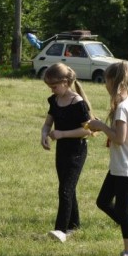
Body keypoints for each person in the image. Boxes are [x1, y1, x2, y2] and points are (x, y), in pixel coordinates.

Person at [86, 61, 128, 256]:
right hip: (119, 166)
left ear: (114, 82)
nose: (104, 85)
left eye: (106, 81)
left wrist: (101, 126)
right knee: (103, 201)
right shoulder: (125, 103)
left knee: (122, 209)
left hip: (127, 167)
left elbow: (120, 138)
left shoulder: (122, 108)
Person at [40, 63, 92, 243]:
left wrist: (62, 134)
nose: (52, 90)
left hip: (77, 151)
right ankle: (74, 225)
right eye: (50, 87)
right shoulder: (54, 101)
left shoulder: (78, 103)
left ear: (65, 82)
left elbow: (87, 131)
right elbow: (48, 123)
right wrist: (44, 134)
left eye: (54, 86)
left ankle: (60, 230)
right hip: (62, 150)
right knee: (67, 187)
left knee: (65, 190)